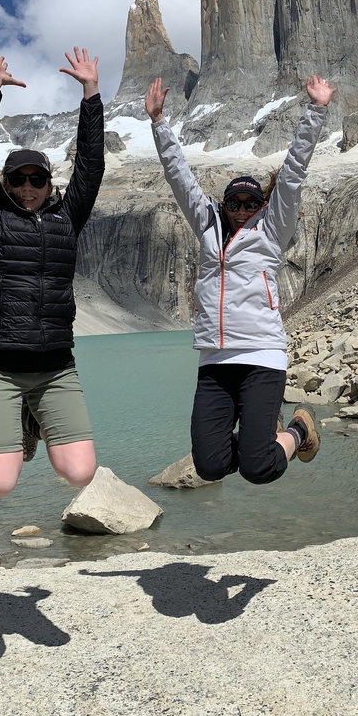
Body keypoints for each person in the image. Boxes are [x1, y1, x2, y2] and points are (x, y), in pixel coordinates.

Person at [145, 75, 335, 485]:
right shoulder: (207, 226)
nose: (242, 209)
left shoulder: (272, 230)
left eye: (252, 203)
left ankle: (299, 428)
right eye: (235, 202)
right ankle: (259, 434)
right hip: (215, 359)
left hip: (262, 355)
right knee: (209, 464)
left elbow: (293, 173)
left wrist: (316, 111)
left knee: (259, 467)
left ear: (262, 206)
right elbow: (179, 177)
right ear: (224, 205)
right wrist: (159, 122)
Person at [0, 48, 104, 499]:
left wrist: (91, 93)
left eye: (36, 180)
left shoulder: (68, 217)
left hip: (56, 366)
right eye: (17, 180)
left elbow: (91, 167)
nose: (27, 188)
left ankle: (29, 417)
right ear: (5, 184)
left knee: (80, 473)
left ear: (48, 183)